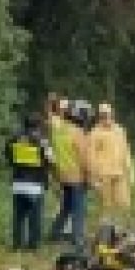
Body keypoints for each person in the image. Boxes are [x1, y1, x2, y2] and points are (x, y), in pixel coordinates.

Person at [6, 113, 52, 251]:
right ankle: (33, 245)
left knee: (18, 217)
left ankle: (17, 244)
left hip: (18, 182)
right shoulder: (42, 141)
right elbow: (50, 160)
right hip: (35, 184)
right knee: (35, 217)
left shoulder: (14, 139)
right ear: (38, 125)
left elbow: (8, 157)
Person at [49, 100, 89, 249]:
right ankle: (78, 238)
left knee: (66, 206)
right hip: (76, 176)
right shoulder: (78, 132)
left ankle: (55, 233)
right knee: (78, 209)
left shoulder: (58, 130)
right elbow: (83, 157)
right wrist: (88, 176)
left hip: (61, 174)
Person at [88, 102, 133, 220]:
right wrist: (93, 179)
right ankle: (107, 229)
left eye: (107, 114)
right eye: (103, 115)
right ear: (99, 116)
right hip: (103, 176)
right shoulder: (95, 133)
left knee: (123, 203)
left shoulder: (119, 130)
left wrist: (130, 169)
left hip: (119, 173)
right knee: (106, 206)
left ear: (112, 114)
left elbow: (125, 150)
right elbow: (91, 157)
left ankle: (121, 227)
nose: (106, 117)